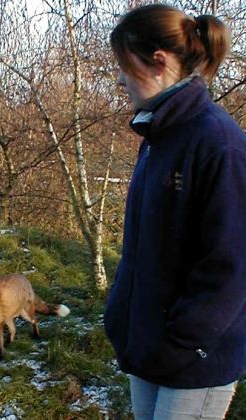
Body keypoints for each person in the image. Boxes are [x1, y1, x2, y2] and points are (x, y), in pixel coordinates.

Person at [104, 4, 246, 420]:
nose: (119, 78)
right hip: (149, 343)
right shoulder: (160, 135)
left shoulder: (218, 143)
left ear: (158, 62)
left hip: (193, 359)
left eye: (124, 65)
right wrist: (122, 314)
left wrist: (185, 339)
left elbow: (232, 265)